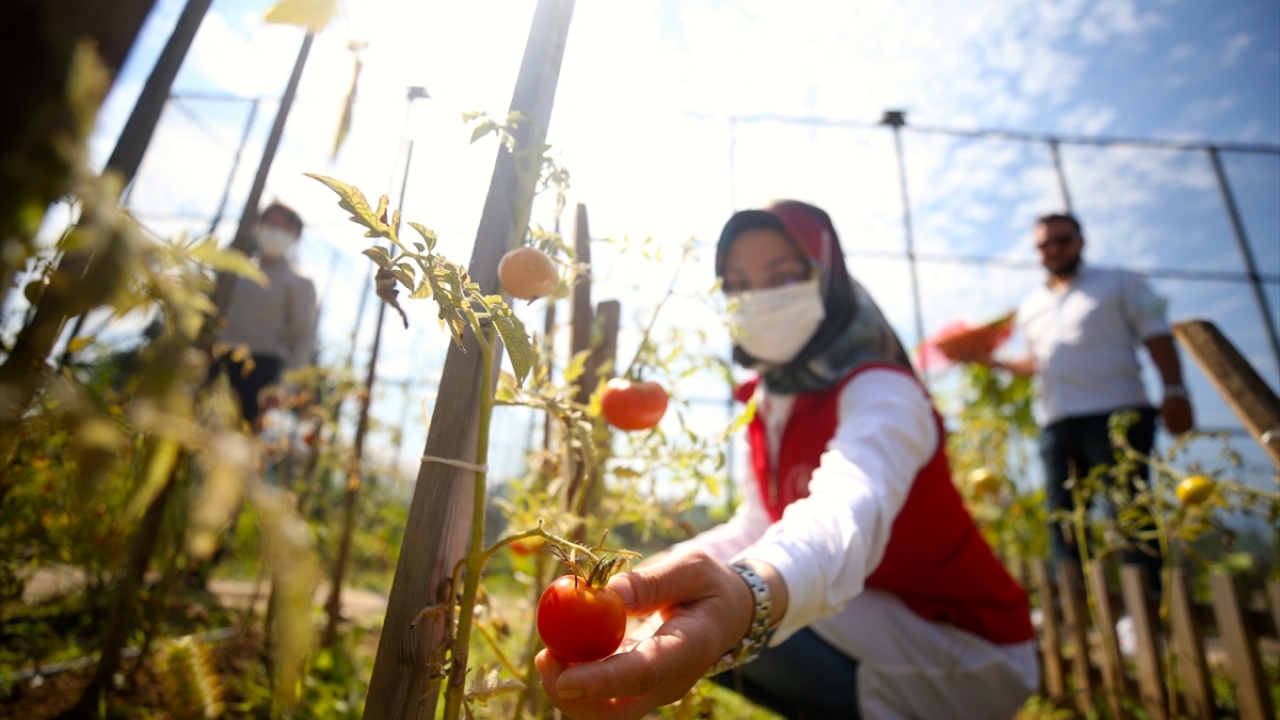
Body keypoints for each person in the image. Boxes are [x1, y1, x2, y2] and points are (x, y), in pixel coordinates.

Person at [535, 201, 1039, 720]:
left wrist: (745, 592)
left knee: (754, 615)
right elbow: (757, 524)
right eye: (737, 282)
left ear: (828, 277)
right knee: (714, 607)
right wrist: (646, 589)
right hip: (870, 623)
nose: (757, 297)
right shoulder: (769, 404)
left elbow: (843, 510)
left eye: (782, 275)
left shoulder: (884, 392)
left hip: (963, 646)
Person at [965, 212, 1193, 587]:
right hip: (1056, 420)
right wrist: (992, 362)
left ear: (1080, 241)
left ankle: (1147, 606)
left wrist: (1175, 390)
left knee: (1129, 511)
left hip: (1117, 413)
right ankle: (1072, 606)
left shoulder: (1122, 282)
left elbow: (1158, 335)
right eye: (1045, 243)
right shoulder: (1031, 305)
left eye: (1063, 240)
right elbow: (1037, 363)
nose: (1054, 249)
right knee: (1063, 516)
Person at [216, 201, 317, 429]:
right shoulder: (236, 270)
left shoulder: (299, 283)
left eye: (283, 228)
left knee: (237, 438)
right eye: (270, 224)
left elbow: (303, 337)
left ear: (295, 236)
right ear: (257, 226)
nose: (275, 232)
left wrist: (284, 387)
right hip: (218, 358)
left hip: (260, 369)